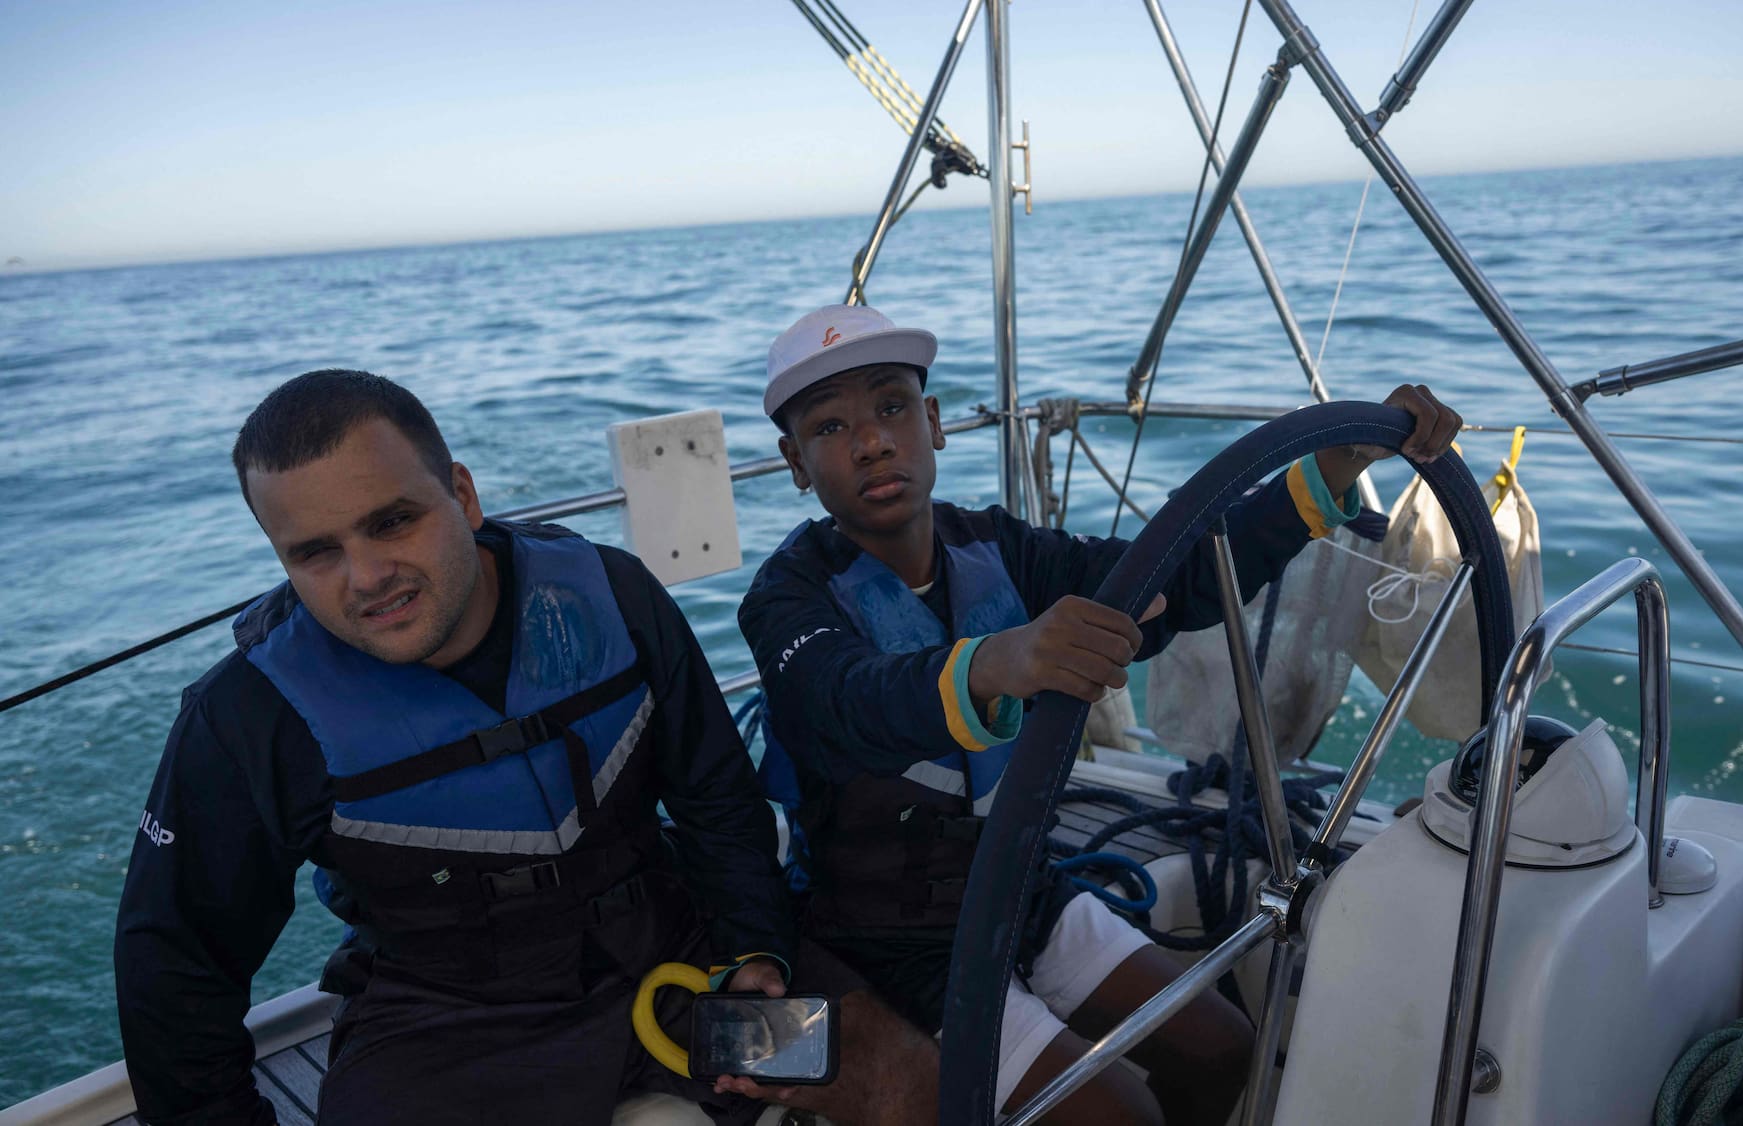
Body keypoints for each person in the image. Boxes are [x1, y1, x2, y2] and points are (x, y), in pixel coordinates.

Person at [113, 370, 936, 1126]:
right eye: (315, 552)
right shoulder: (250, 716)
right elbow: (176, 967)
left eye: (392, 521)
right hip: (448, 1020)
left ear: (463, 495)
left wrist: (754, 949)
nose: (365, 576)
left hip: (680, 954)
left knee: (908, 1084)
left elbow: (717, 798)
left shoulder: (612, 595)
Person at [737, 305, 1463, 1125]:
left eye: (892, 406)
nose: (872, 440)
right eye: (830, 427)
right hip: (886, 942)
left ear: (933, 422)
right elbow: (844, 697)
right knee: (1123, 1116)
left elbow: (1172, 581)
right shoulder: (785, 599)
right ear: (795, 463)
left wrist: (1329, 467)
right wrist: (999, 661)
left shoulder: (1001, 550)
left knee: (1223, 1048)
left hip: (1023, 892)